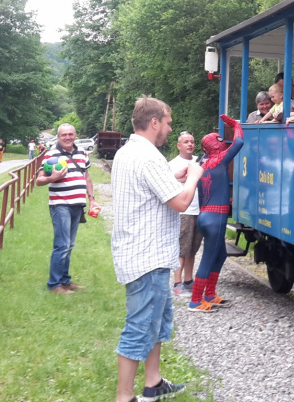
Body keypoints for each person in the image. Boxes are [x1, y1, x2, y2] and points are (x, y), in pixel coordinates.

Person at [111, 96, 203, 402]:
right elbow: (180, 201)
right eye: (168, 122)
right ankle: (124, 397)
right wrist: (193, 176)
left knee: (157, 323)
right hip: (145, 258)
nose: (170, 128)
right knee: (139, 327)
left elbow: (155, 187)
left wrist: (174, 176)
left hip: (146, 254)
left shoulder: (130, 151)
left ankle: (153, 382)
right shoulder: (148, 157)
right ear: (154, 123)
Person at [36, 123, 99, 295]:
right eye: (64, 135)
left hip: (77, 205)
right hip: (60, 204)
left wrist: (92, 199)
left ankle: (65, 280)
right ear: (58, 137)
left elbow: (87, 177)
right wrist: (53, 177)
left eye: (71, 134)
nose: (68, 137)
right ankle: (54, 284)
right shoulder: (52, 155)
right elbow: (39, 180)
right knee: (62, 245)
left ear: (75, 135)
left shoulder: (82, 153)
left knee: (69, 245)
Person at [189, 114, 244, 312]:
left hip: (206, 215)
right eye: (219, 142)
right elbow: (239, 142)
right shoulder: (219, 160)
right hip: (216, 217)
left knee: (219, 255)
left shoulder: (202, 163)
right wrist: (235, 124)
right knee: (209, 257)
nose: (222, 145)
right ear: (215, 146)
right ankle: (196, 300)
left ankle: (210, 294)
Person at [169, 131, 202, 296]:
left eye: (192, 141)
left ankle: (189, 280)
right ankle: (177, 282)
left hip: (198, 209)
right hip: (184, 211)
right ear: (179, 145)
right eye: (186, 142)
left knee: (193, 248)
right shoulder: (172, 164)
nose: (190, 144)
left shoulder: (199, 162)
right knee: (182, 248)